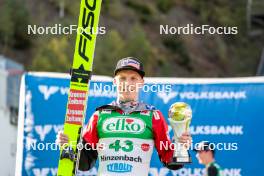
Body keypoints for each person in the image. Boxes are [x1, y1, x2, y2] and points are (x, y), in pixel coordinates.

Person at [57, 57, 192, 175]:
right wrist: (68, 146)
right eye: (122, 78)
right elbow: (85, 164)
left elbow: (170, 161)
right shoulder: (100, 115)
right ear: (114, 82)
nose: (127, 83)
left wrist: (181, 147)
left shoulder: (153, 116)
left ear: (142, 83)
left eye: (133, 78)